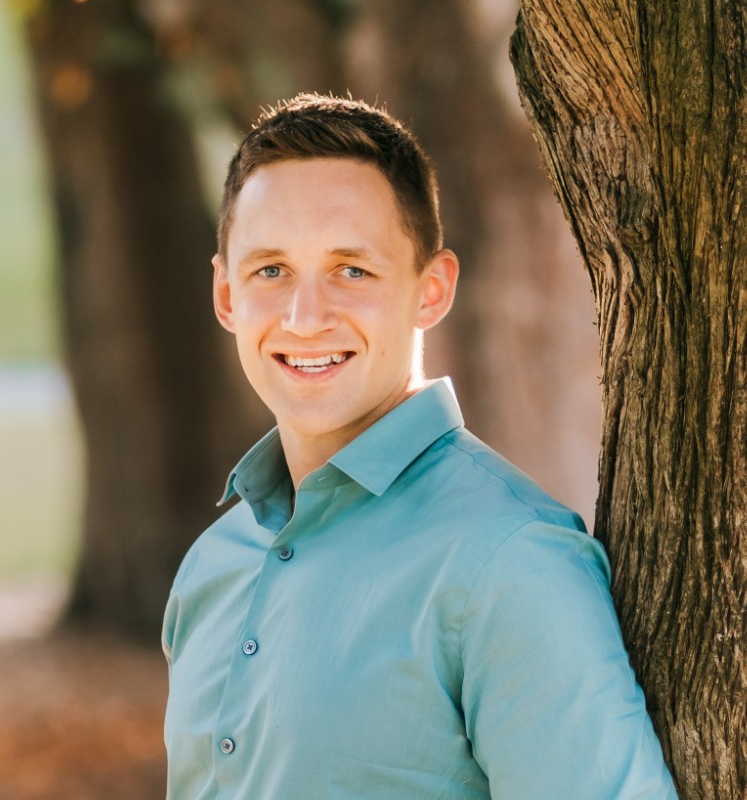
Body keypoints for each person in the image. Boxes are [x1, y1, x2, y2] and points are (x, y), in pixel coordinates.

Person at [162, 93, 677, 799]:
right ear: (226, 295)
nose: (305, 318)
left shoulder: (510, 563)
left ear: (431, 290)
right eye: (270, 270)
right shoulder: (213, 564)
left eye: (352, 269)